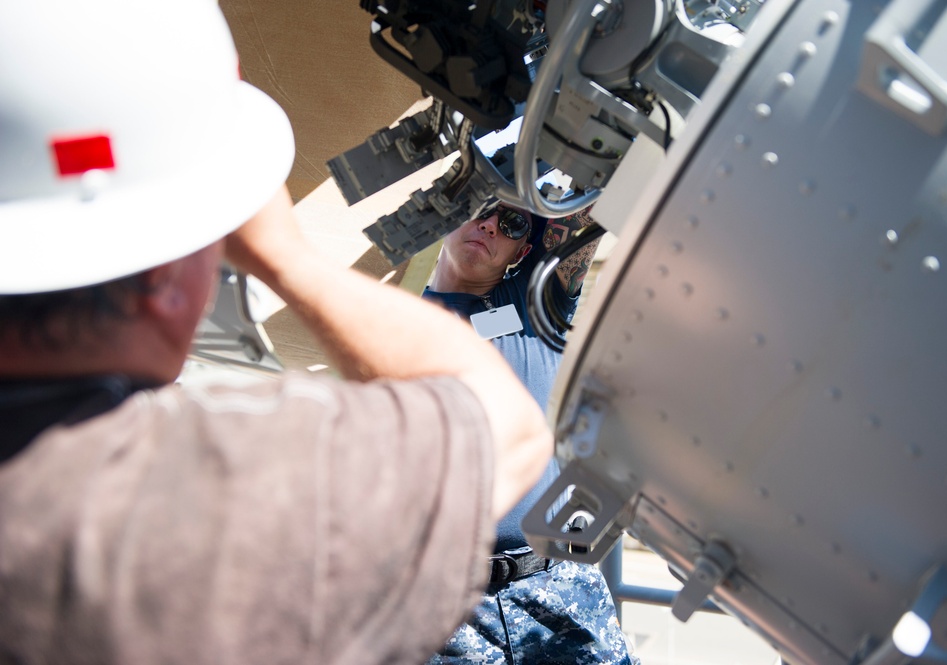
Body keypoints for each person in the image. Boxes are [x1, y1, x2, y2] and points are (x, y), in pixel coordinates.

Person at [0, 1, 552, 663]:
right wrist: (285, 255)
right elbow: (504, 431)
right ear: (180, 274)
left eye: (511, 226)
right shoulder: (239, 483)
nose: (492, 228)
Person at [422, 202, 638, 664]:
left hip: (560, 587)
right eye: (477, 206)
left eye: (511, 223)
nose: (488, 224)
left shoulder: (536, 300)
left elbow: (590, 202)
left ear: (523, 248)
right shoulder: (386, 327)